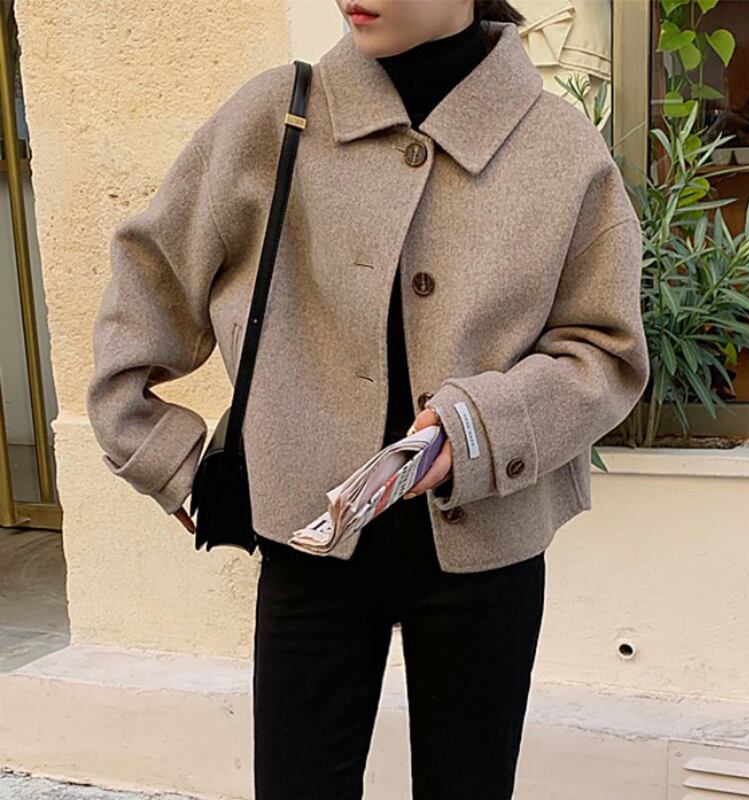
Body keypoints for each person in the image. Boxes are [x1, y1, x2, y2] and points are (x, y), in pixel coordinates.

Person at [86, 1, 650, 797]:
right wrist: (160, 453)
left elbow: (606, 351)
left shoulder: (560, 148)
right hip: (308, 542)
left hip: (488, 544)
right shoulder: (275, 115)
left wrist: (480, 429)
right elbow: (150, 278)